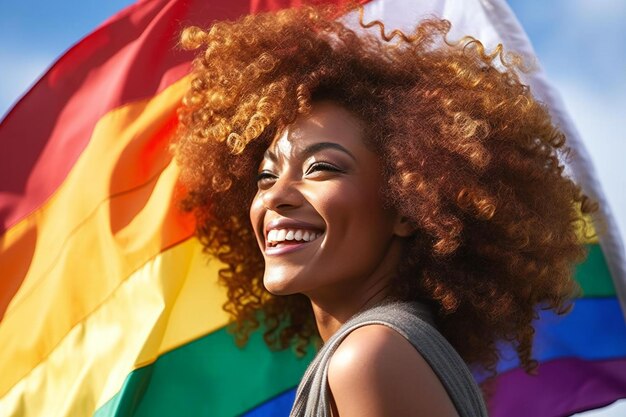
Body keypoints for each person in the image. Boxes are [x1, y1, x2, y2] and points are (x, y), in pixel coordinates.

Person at [172, 4, 596, 416]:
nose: (275, 196)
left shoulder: (368, 357)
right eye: (265, 177)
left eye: (321, 168)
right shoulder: (386, 352)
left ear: (407, 208)